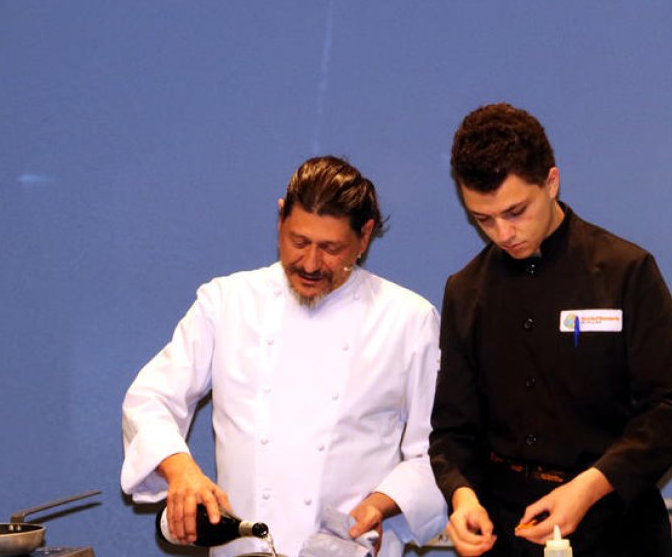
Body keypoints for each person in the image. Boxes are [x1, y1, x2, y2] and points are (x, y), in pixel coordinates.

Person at [121, 156, 447, 557]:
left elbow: (435, 451)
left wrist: (380, 505)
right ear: (280, 219)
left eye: (330, 248)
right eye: (299, 242)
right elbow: (150, 399)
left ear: (364, 238)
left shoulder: (408, 320)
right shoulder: (226, 302)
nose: (310, 264)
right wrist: (180, 470)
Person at [429, 104, 672, 557]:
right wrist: (462, 498)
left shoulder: (624, 272)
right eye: (483, 218)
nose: (502, 233)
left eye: (516, 211)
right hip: (505, 534)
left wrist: (590, 487)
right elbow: (453, 431)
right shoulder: (466, 291)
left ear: (551, 182)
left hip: (615, 526)